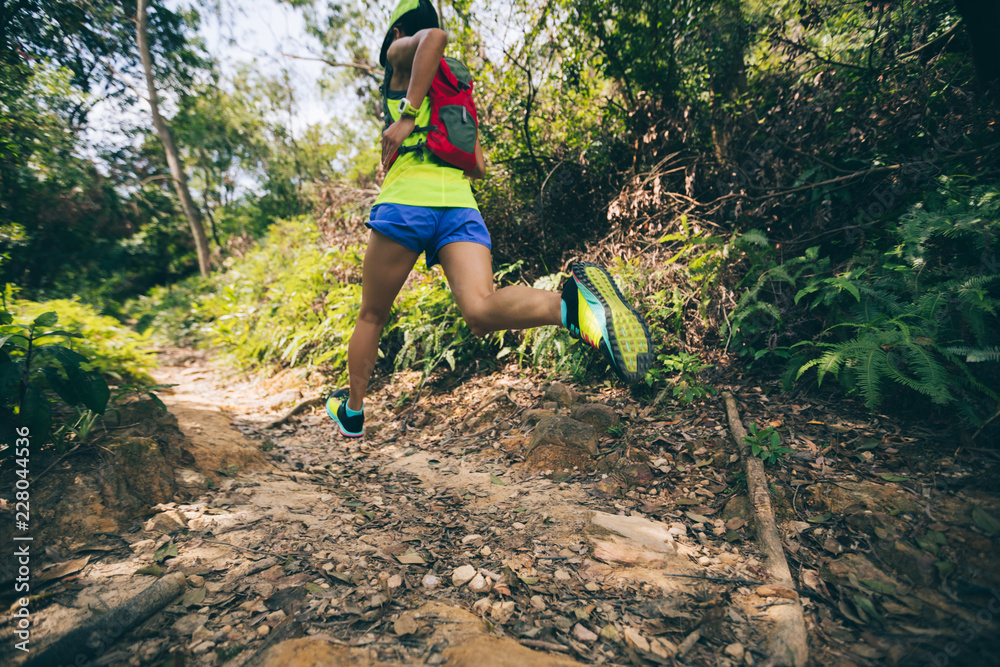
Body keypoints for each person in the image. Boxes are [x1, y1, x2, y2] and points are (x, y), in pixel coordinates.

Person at [326, 0, 653, 437]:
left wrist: (406, 119)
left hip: (407, 202)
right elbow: (477, 165)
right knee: (480, 309)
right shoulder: (454, 84)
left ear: (399, 28)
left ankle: (352, 410)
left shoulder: (399, 52)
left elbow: (435, 38)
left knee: (371, 316)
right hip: (459, 205)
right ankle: (574, 308)